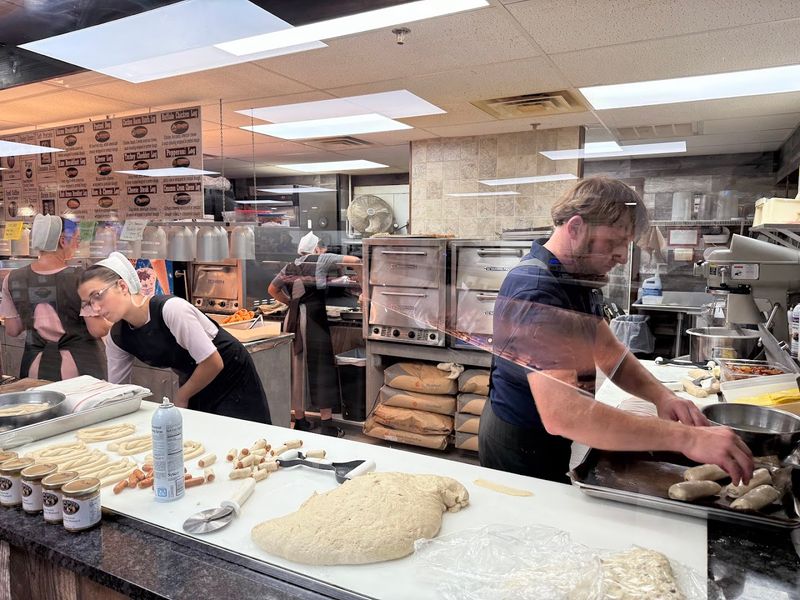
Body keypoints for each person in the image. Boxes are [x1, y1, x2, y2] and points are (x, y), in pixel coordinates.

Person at [480, 177, 754, 485]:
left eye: (626, 244)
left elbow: (612, 355)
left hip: (549, 440)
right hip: (519, 447)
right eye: (613, 243)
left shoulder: (575, 279)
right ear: (575, 228)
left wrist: (663, 398)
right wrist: (687, 439)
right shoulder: (536, 289)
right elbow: (564, 414)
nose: (623, 256)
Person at [77, 252, 270, 424]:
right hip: (194, 381)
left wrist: (182, 395)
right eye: (88, 303)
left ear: (122, 286)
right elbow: (119, 392)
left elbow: (213, 362)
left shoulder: (171, 309)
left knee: (243, 444)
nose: (95, 308)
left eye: (98, 296)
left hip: (231, 375)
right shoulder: (118, 338)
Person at [268, 231, 361, 437]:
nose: (325, 251)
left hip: (291, 321)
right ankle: (327, 424)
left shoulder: (290, 266)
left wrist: (291, 303)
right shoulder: (321, 259)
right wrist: (362, 285)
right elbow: (355, 260)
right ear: (316, 249)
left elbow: (272, 289)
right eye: (323, 248)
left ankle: (300, 420)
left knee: (297, 369)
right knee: (322, 367)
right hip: (312, 320)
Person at [0, 215, 108, 380]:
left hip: (34, 368)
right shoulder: (82, 278)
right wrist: (113, 318)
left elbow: (13, 329)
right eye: (76, 239)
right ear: (63, 241)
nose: (77, 244)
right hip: (80, 368)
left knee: (40, 406)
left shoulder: (12, 279)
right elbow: (97, 329)